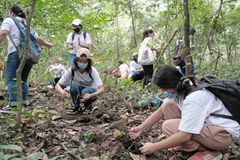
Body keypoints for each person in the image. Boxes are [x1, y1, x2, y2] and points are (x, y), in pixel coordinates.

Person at [129, 65, 239, 160]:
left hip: (222, 134)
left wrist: (153, 147)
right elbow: (161, 110)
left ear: (169, 86)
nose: (162, 92)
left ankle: (209, 152)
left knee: (168, 126)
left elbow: (184, 135)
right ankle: (190, 146)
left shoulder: (194, 98)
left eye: (163, 89)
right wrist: (140, 128)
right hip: (210, 126)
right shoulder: (184, 86)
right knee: (168, 105)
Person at [0, 5, 53, 108]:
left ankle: (14, 104)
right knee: (23, 79)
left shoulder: (9, 20)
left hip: (16, 53)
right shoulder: (26, 23)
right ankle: (24, 102)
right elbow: (37, 39)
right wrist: (47, 45)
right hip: (29, 54)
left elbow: (3, 33)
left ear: (11, 12)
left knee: (11, 78)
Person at [55, 48, 104, 113]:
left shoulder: (92, 71)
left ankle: (88, 106)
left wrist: (91, 95)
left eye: (85, 62)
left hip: (90, 91)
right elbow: (57, 85)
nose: (82, 63)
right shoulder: (72, 70)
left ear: (88, 62)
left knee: (85, 91)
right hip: (78, 91)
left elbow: (102, 89)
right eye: (80, 61)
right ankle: (76, 106)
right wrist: (62, 92)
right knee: (73, 85)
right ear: (76, 61)